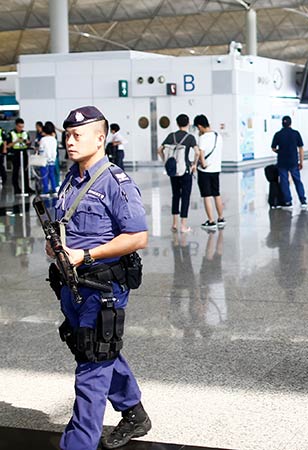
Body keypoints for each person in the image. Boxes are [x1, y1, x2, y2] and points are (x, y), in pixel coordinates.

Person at [50, 106, 151, 448]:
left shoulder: (115, 183)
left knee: (92, 370)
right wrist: (58, 249)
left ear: (100, 137)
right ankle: (134, 412)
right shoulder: (70, 179)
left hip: (103, 287)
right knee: (97, 350)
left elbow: (137, 237)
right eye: (67, 135)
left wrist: (87, 254)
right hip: (72, 285)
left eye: (77, 135)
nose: (69, 141)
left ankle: (78, 444)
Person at [158, 113, 198, 233]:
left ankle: (174, 224)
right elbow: (197, 152)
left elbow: (159, 149)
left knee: (175, 195)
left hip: (173, 171)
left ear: (177, 123)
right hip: (185, 170)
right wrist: (194, 164)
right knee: (185, 196)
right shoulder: (190, 137)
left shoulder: (171, 136)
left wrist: (165, 160)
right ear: (188, 123)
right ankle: (183, 226)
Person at [194, 114, 225, 230]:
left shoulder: (203, 137)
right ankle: (221, 218)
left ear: (200, 126)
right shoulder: (218, 136)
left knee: (206, 195)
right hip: (216, 169)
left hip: (205, 170)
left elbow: (201, 153)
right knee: (216, 194)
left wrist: (203, 163)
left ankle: (211, 221)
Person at [271, 115, 307, 208]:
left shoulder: (278, 134)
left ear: (282, 124)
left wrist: (280, 152)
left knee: (284, 181)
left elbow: (273, 148)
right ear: (291, 123)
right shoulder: (296, 133)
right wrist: (301, 162)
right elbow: (300, 148)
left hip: (282, 161)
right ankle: (303, 201)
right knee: (297, 180)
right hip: (293, 161)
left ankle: (288, 201)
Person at [5, 117, 32, 194]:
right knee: (15, 172)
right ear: (16, 126)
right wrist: (16, 141)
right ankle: (16, 189)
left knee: (25, 171)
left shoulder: (25, 133)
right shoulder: (11, 133)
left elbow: (29, 143)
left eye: (22, 127)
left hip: (24, 153)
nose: (21, 128)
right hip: (15, 154)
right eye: (19, 127)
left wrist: (27, 142)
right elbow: (7, 145)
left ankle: (27, 188)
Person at [38, 121, 58, 195]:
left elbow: (41, 150)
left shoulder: (43, 139)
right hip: (52, 160)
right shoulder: (54, 139)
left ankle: (46, 190)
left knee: (44, 176)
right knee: (52, 175)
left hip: (44, 161)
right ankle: (54, 189)